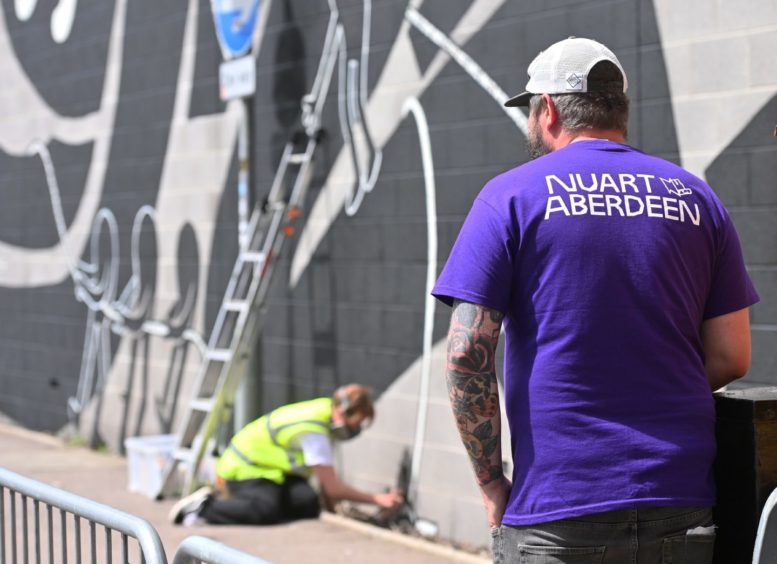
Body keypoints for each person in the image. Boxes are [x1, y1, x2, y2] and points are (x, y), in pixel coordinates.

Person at [432, 37, 759, 563]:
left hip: (559, 511)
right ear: (619, 111)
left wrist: (492, 481)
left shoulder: (511, 196)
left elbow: (467, 355)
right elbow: (731, 356)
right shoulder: (697, 198)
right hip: (681, 501)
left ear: (550, 111)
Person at [169, 384, 403, 525]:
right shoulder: (314, 431)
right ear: (343, 412)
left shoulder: (323, 411)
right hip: (243, 468)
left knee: (307, 503)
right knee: (267, 509)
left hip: (271, 471)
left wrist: (332, 509)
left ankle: (240, 503)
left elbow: (325, 482)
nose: (355, 430)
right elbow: (332, 487)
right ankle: (203, 509)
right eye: (356, 423)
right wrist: (377, 499)